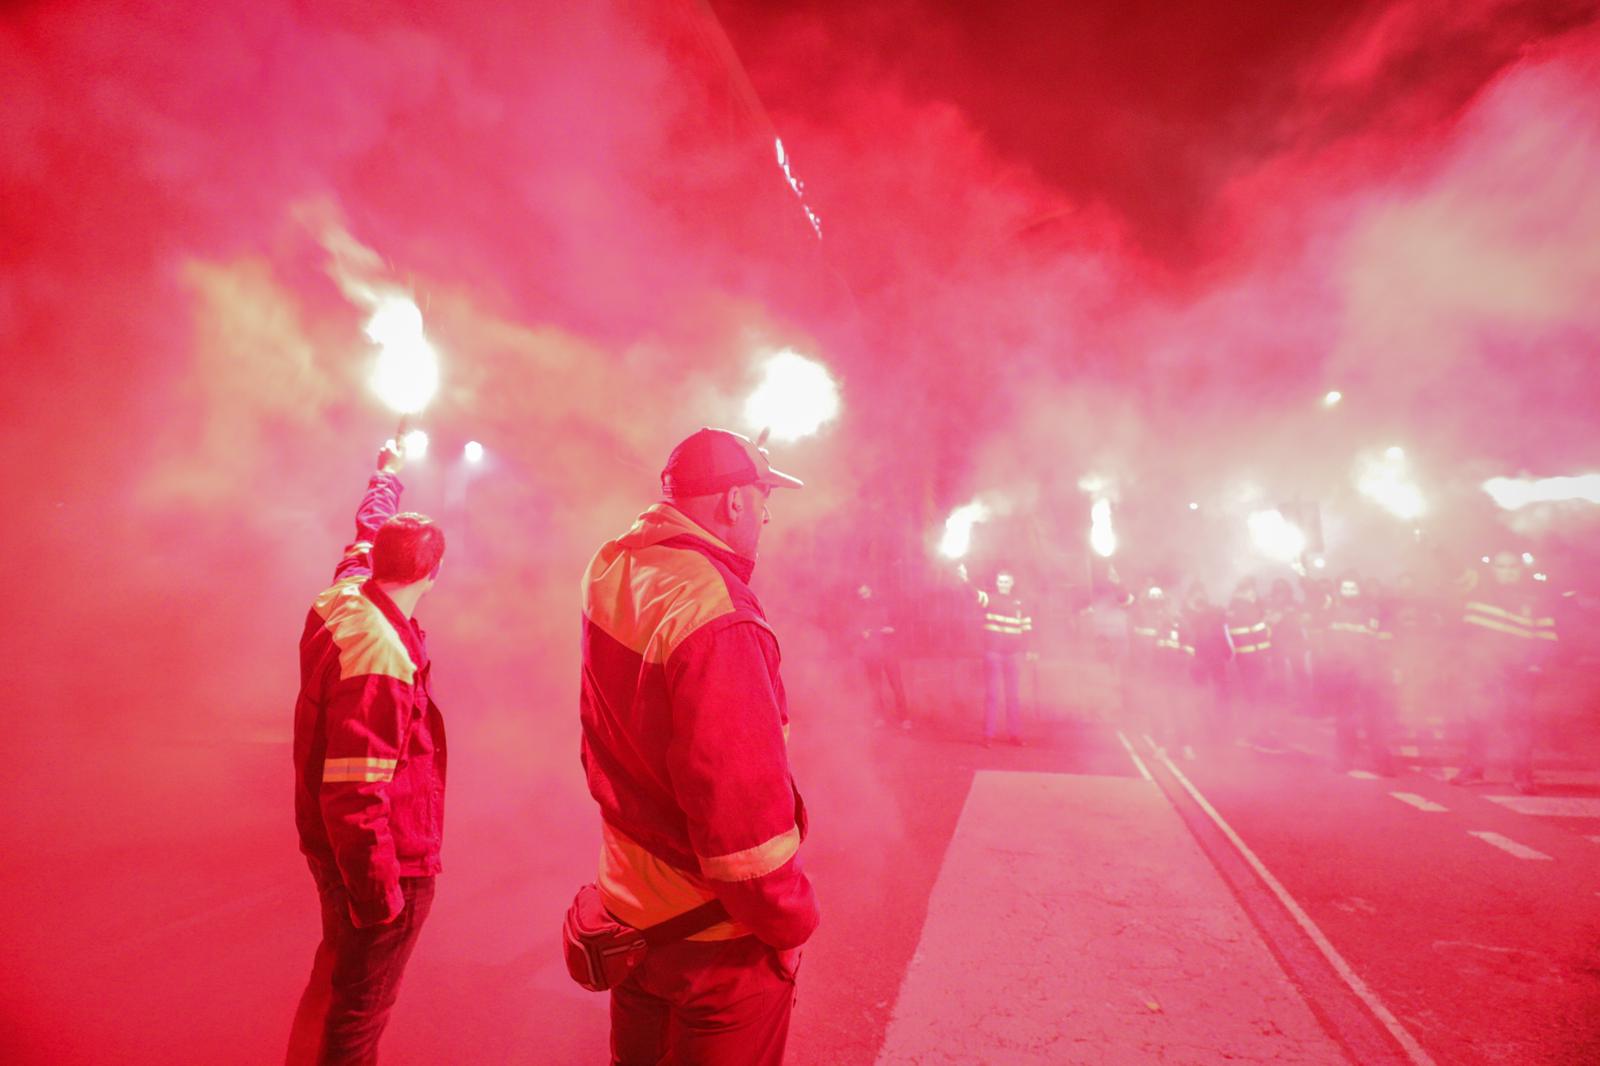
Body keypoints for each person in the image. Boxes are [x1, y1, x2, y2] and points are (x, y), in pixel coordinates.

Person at [580, 428, 819, 1066]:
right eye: (762, 494)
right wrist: (789, 926)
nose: (767, 513)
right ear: (733, 502)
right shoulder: (719, 617)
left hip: (630, 914)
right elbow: (744, 832)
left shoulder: (616, 566)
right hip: (714, 946)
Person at [288, 440, 448, 1065]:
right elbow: (356, 795)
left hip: (327, 850)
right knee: (358, 1017)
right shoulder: (380, 657)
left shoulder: (345, 596)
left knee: (331, 988)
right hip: (380, 868)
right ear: (434, 575)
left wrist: (388, 475)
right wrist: (381, 905)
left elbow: (365, 531)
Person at [1451, 550, 1558, 794]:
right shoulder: (1476, 589)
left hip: (1519, 673)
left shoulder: (1535, 600)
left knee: (1520, 724)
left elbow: (1546, 637)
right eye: (1501, 566)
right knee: (1478, 720)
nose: (1507, 571)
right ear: (1493, 569)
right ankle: (1473, 769)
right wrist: (1432, 544)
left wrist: (1535, 664)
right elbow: (1452, 567)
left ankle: (1522, 776)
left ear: (1520, 570)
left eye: (1512, 567)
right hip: (1481, 671)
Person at [1322, 572, 1395, 775]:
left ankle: (1382, 762)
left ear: (1359, 590)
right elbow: (1328, 641)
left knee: (1374, 719)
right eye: (1345, 589)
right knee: (1345, 719)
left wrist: (1382, 668)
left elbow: (1382, 641)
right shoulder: (1333, 610)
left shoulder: (1371, 610)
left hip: (1368, 672)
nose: (1348, 593)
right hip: (1343, 673)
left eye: (1352, 589)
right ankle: (1344, 759)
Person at [978, 570, 1033, 746]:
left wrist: (1029, 649)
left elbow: (1027, 628)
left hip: (1013, 654)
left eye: (1006, 581)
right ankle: (988, 736)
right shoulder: (989, 598)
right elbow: (971, 594)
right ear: (996, 583)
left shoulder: (1020, 603)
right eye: (1000, 581)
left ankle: (1014, 735)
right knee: (993, 695)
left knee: (1013, 696)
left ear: (1012, 583)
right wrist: (964, 579)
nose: (1002, 584)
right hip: (993, 653)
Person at [856, 583, 911, 729]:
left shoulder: (884, 604)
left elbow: (895, 626)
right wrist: (866, 633)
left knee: (896, 685)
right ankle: (879, 717)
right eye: (860, 594)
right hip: (872, 654)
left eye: (864, 592)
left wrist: (881, 631)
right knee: (875, 687)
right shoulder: (859, 608)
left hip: (889, 652)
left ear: (870, 588)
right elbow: (860, 631)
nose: (862, 596)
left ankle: (904, 718)